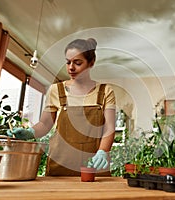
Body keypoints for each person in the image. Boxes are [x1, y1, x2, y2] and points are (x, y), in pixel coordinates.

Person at [9, 38, 116, 176]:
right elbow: (45, 124)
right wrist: (30, 132)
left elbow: (109, 127)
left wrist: (103, 151)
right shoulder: (56, 90)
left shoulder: (105, 91)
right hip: (60, 164)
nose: (71, 67)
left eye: (77, 63)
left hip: (93, 166)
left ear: (91, 63)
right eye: (68, 62)